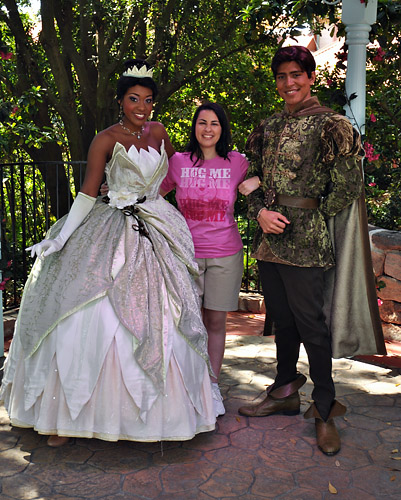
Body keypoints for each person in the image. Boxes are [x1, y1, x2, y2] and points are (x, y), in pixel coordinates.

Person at [0, 59, 216, 446]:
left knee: (167, 314)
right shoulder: (106, 139)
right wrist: (61, 239)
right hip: (111, 227)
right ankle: (65, 419)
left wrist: (154, 201)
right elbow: (86, 194)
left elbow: (173, 174)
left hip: (155, 227)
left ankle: (157, 416)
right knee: (88, 314)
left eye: (148, 100)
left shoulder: (160, 132)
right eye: (134, 99)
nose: (142, 107)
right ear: (120, 101)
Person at [237, 46, 386, 456]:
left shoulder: (331, 126)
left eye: (296, 75)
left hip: (307, 244)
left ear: (310, 77)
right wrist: (262, 212)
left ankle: (324, 410)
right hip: (270, 241)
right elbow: (249, 177)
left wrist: (310, 215)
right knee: (282, 322)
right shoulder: (267, 127)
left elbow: (348, 185)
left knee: (312, 327)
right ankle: (284, 391)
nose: (289, 83)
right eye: (282, 76)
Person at [160, 102, 249, 417]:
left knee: (215, 322)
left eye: (214, 123)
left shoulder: (237, 162)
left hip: (226, 254)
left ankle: (210, 385)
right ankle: (187, 383)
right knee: (188, 322)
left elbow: (272, 175)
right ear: (194, 127)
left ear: (222, 129)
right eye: (202, 122)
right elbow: (152, 193)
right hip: (187, 255)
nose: (208, 129)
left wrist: (257, 183)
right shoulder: (179, 162)